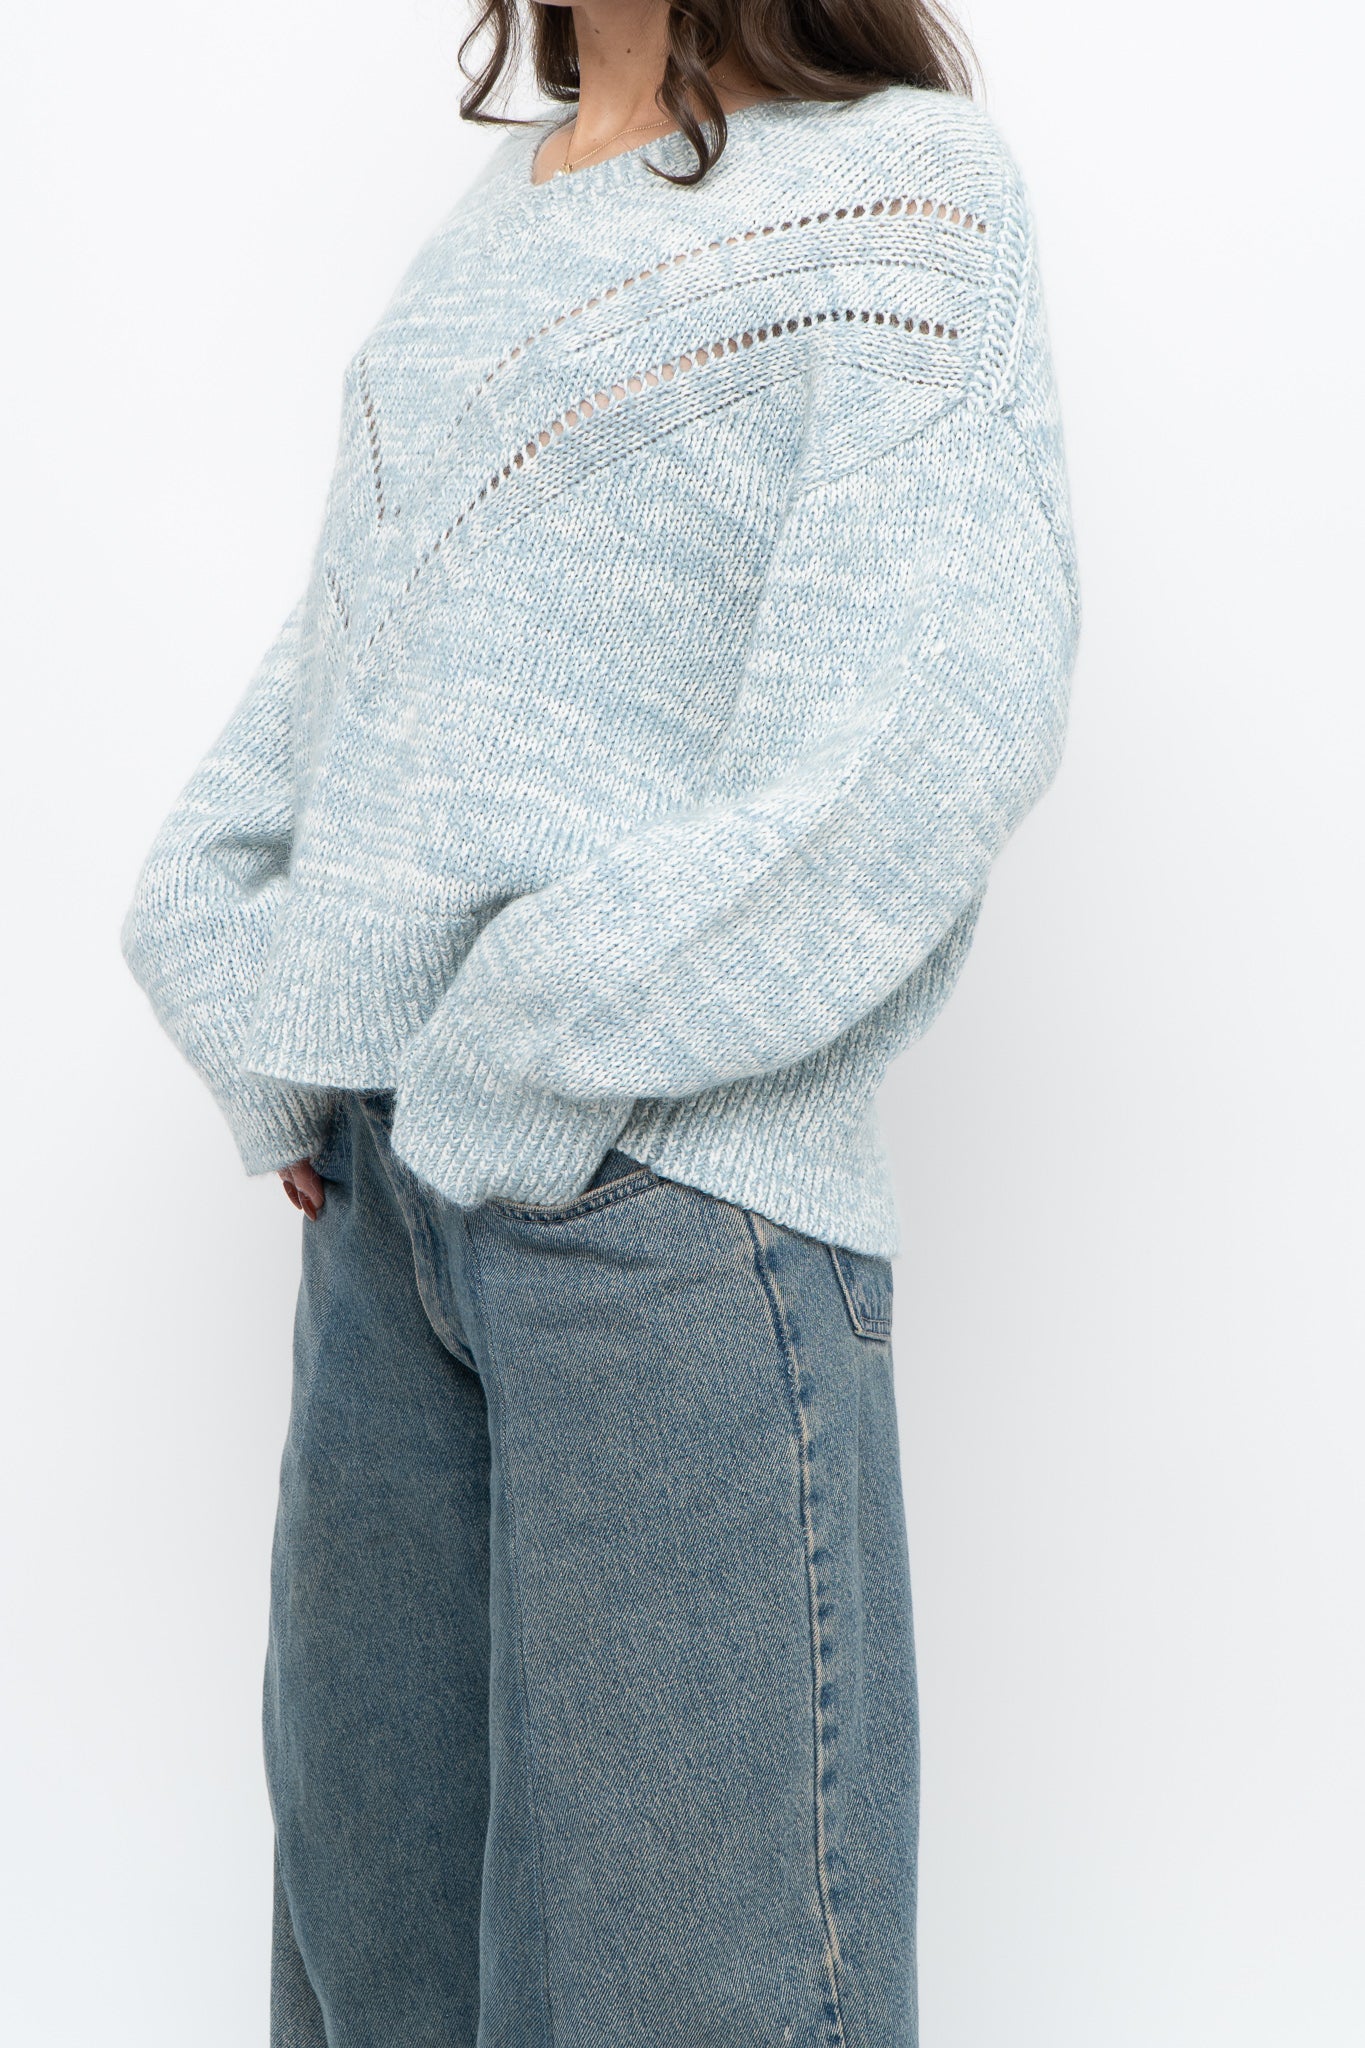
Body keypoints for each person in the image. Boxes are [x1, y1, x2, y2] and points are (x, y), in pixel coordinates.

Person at [122, 0, 1079, 2038]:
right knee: (373, 1972)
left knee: (685, 1996)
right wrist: (247, 982)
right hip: (383, 1214)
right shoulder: (488, 222)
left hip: (662, 1218)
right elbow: (343, 668)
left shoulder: (901, 188)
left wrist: (530, 1048)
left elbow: (918, 731)